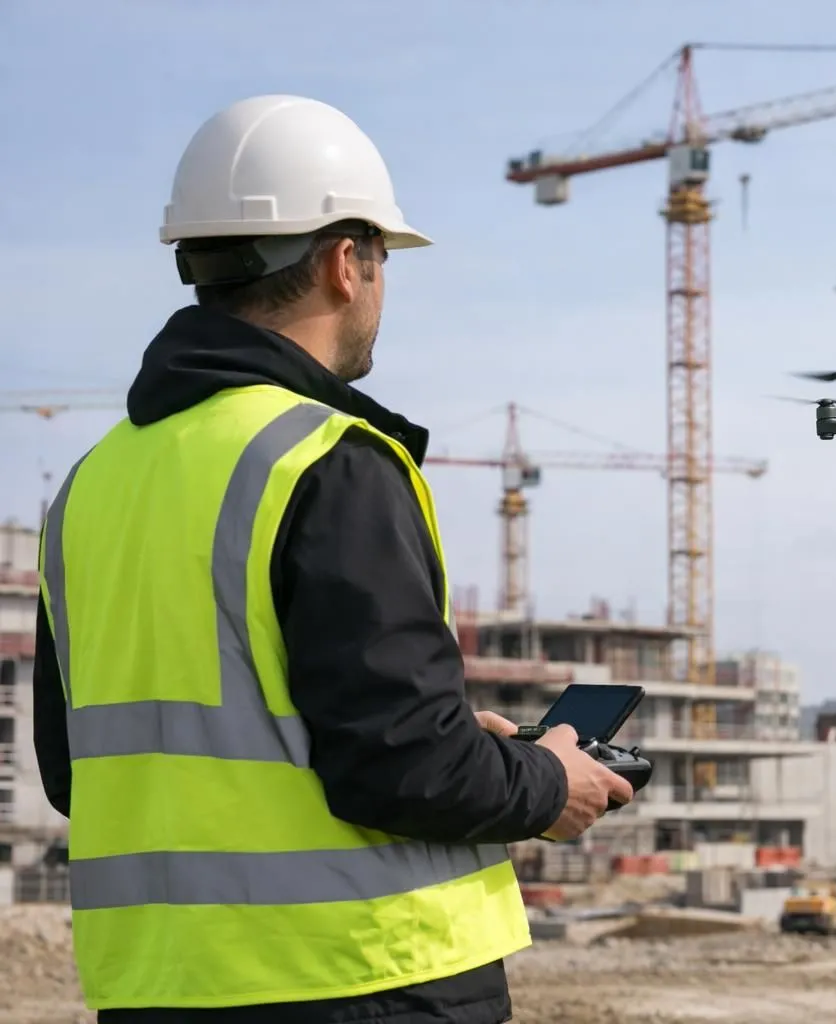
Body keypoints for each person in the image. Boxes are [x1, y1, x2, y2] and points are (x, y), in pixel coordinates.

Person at [30, 94, 634, 1024]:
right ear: (344, 263)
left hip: (159, 989)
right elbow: (401, 772)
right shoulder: (328, 461)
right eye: (384, 256)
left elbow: (82, 771)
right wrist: (551, 779)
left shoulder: (90, 487)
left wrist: (432, 727)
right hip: (367, 979)